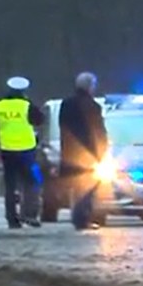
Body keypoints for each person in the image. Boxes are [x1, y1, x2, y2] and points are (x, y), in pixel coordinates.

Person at [57, 72, 109, 230]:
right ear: (89, 86)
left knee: (76, 188)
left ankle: (78, 217)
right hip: (88, 155)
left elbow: (63, 127)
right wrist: (102, 152)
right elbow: (98, 132)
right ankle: (82, 219)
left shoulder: (66, 104)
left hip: (69, 153)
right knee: (86, 188)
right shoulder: (92, 106)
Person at [0, 76, 45, 228]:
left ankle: (11, 218)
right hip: (27, 150)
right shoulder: (27, 105)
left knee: (10, 185)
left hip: (6, 151)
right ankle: (30, 214)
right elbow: (40, 119)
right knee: (35, 180)